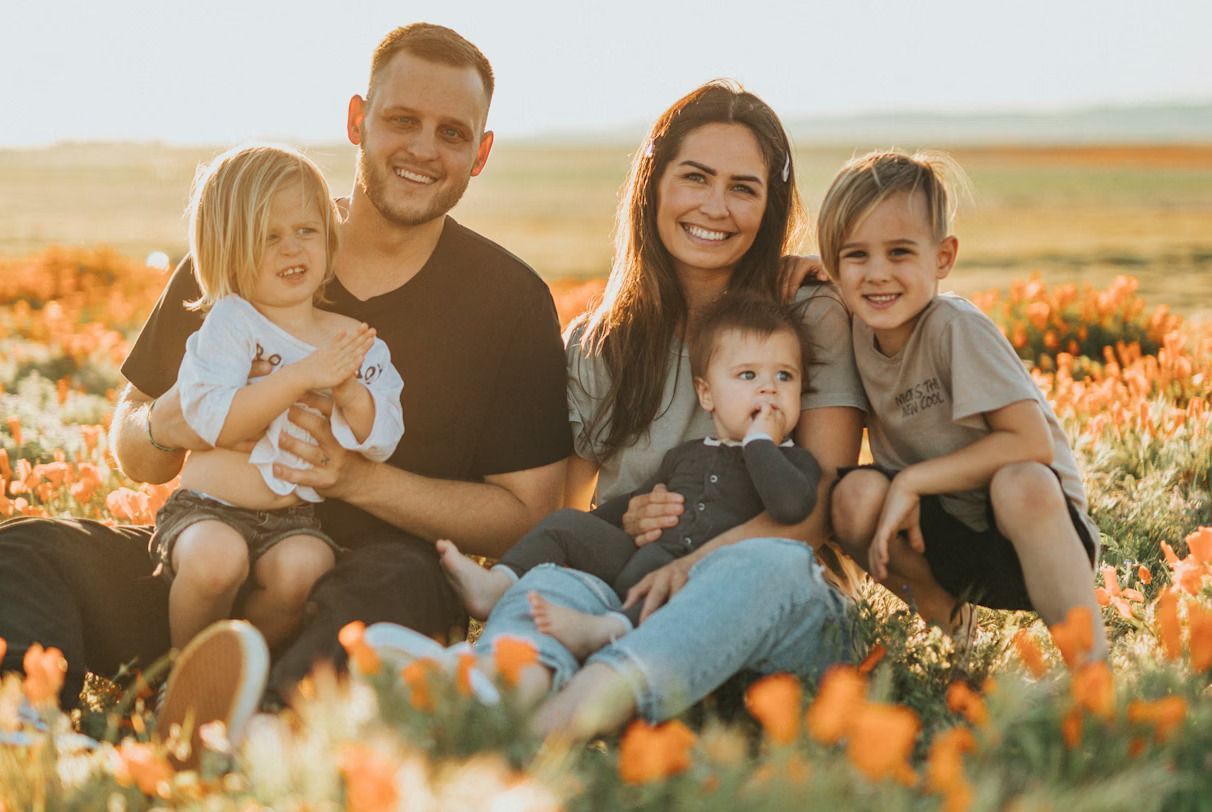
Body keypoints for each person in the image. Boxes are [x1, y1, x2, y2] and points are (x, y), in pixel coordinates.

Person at [0, 24, 570, 734]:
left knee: (401, 582)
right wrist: (163, 425)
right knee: (26, 550)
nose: (424, 148)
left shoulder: (507, 301)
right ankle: (22, 734)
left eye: (452, 132)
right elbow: (135, 441)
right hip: (206, 572)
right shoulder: (247, 246)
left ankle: (256, 733)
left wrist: (354, 479)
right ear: (358, 120)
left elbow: (529, 511)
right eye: (402, 121)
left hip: (360, 592)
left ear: (480, 154)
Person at [464, 80, 868, 739]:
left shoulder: (806, 316)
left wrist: (690, 566)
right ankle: (490, 709)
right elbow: (569, 510)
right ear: (653, 183)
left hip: (773, 620)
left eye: (744, 187)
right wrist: (625, 517)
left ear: (770, 207)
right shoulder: (600, 344)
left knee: (765, 566)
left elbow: (815, 512)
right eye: (696, 178)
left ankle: (560, 724)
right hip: (632, 601)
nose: (716, 206)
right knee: (551, 582)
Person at [818, 150, 1106, 660]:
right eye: (857, 255)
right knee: (851, 496)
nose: (877, 274)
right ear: (834, 265)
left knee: (1022, 481)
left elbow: (1030, 442)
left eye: (901, 252)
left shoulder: (955, 328)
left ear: (943, 258)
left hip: (1031, 536)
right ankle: (955, 637)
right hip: (943, 538)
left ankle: (1090, 670)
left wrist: (912, 480)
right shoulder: (855, 330)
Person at [438, 294, 820, 658]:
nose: (769, 388)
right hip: (639, 558)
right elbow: (630, 504)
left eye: (785, 376)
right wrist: (594, 528)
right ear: (707, 394)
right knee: (565, 524)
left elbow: (790, 506)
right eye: (748, 375)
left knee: (669, 592)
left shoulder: (794, 464)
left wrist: (759, 443)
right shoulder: (687, 454)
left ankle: (607, 629)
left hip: (701, 581)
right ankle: (498, 584)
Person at [152, 143, 404, 651]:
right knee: (216, 561)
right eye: (268, 237)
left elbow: (381, 438)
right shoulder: (231, 322)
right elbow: (213, 421)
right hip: (207, 508)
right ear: (228, 249)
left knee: (307, 569)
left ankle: (243, 671)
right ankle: (182, 672)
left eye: (306, 231)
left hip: (292, 519)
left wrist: (349, 391)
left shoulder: (353, 338)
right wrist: (301, 375)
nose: (292, 249)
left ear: (329, 239)